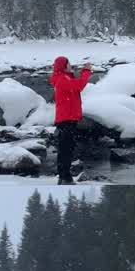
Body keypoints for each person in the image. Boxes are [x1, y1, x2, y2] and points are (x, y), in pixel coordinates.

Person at [50, 56, 93, 185]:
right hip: (66, 120)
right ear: (63, 66)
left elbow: (74, 85)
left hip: (69, 119)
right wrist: (86, 72)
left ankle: (64, 177)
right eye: (68, 64)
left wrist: (77, 73)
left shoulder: (64, 77)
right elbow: (79, 86)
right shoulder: (62, 79)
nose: (71, 65)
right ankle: (65, 178)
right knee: (66, 150)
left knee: (66, 149)